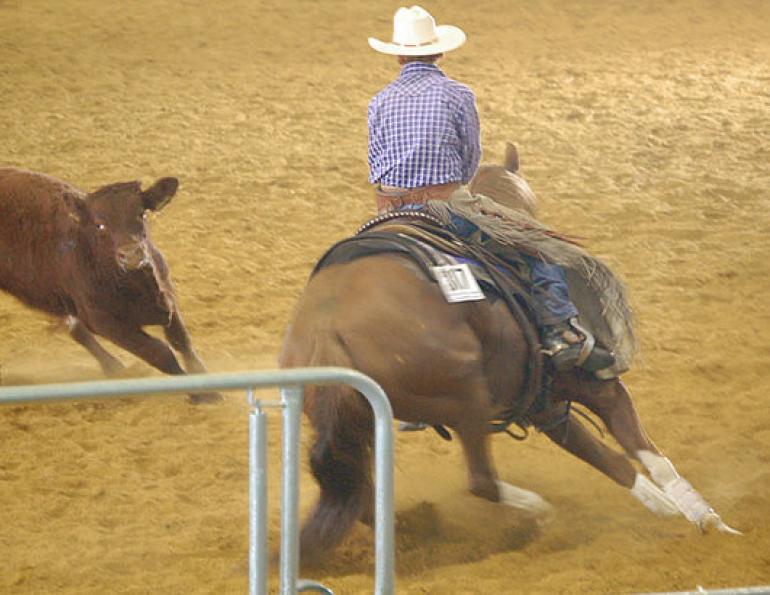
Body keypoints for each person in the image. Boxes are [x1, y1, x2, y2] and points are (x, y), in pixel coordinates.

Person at [367, 5, 614, 374]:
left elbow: (375, 160)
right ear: (438, 52)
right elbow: (470, 157)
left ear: (399, 56)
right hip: (445, 204)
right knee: (538, 246)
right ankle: (560, 330)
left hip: (390, 209)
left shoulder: (379, 100)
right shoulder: (457, 94)